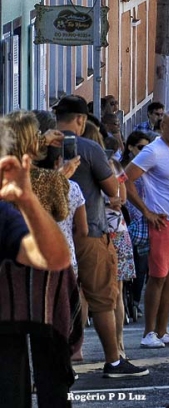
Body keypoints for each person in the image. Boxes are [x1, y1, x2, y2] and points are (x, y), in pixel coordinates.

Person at [55, 95, 149, 378]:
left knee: (55, 301)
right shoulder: (89, 148)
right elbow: (112, 189)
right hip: (90, 230)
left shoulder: (41, 146)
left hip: (51, 234)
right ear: (81, 119)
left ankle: (58, 363)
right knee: (102, 299)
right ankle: (113, 360)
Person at [0, 112, 78, 407]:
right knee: (51, 354)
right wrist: (62, 176)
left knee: (9, 362)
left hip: (8, 278)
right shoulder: (48, 179)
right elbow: (61, 211)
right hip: (44, 274)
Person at [124, 111, 169, 350]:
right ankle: (148, 333)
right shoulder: (152, 151)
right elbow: (125, 179)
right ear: (162, 126)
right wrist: (146, 211)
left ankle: (163, 331)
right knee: (157, 278)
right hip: (163, 223)